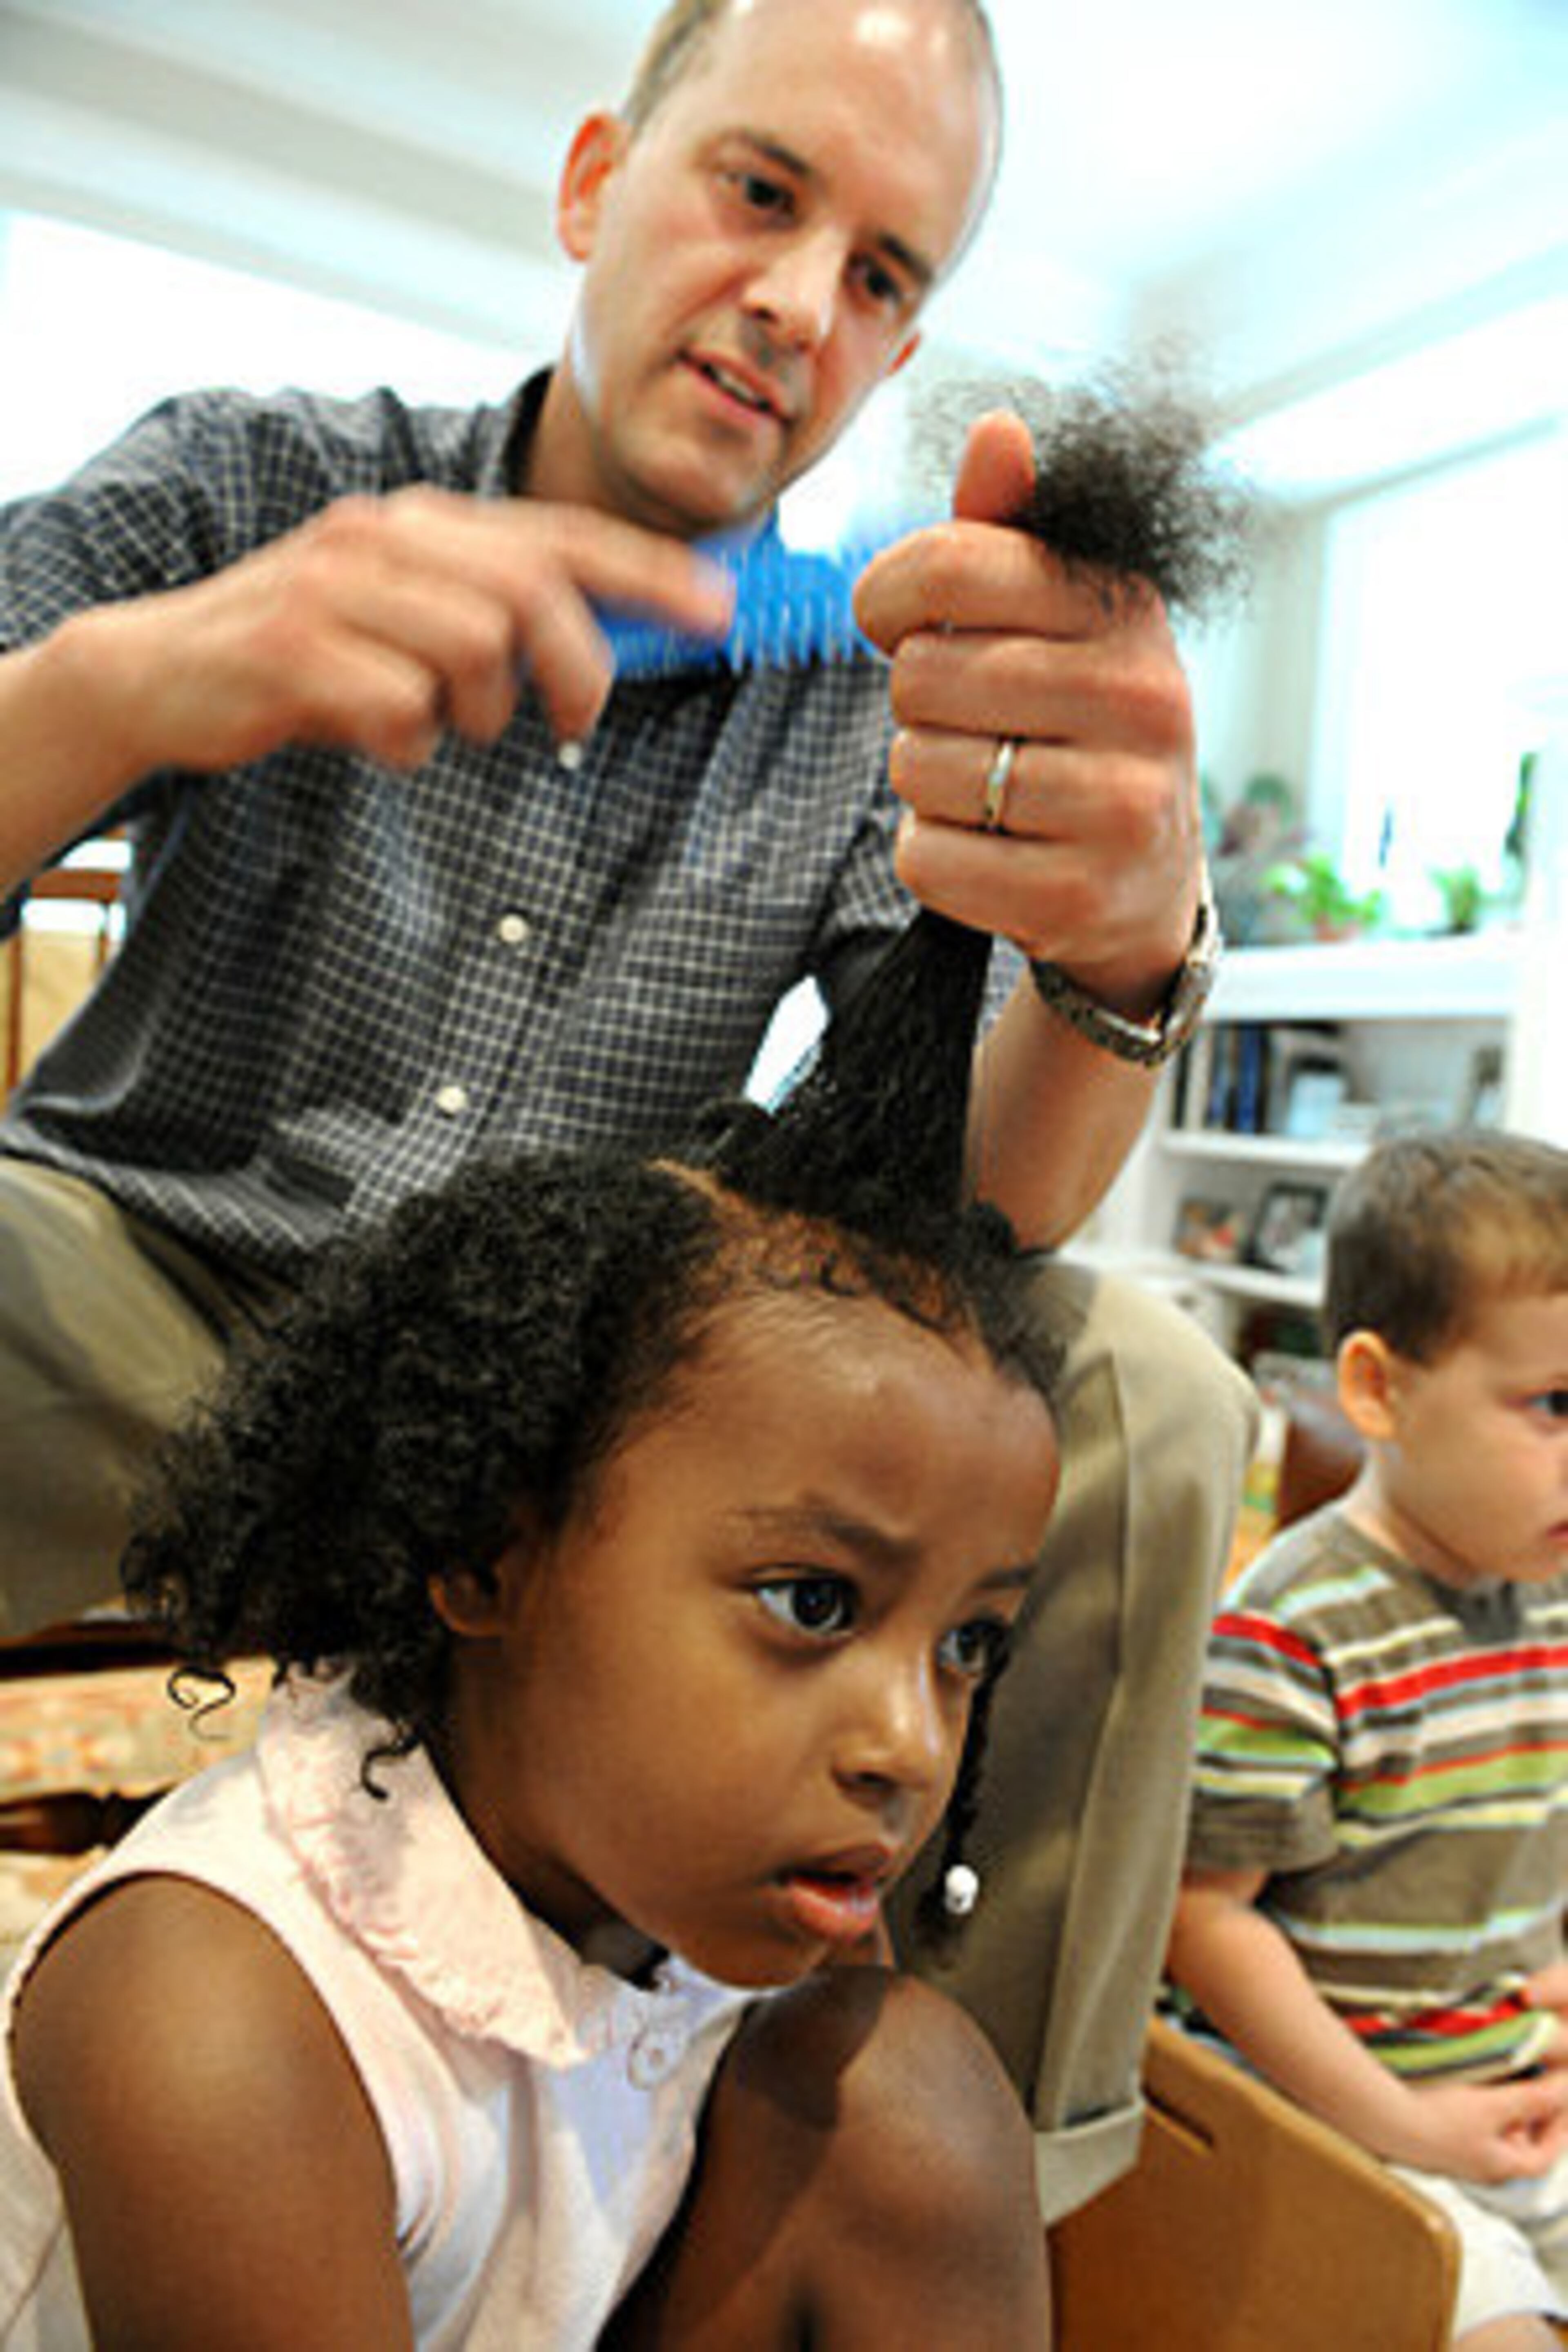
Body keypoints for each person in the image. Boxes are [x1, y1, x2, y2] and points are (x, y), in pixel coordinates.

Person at [0, 0, 1254, 2219]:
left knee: (1145, 1403)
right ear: (599, 183)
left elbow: (980, 1221)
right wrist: (136, 681)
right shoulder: (250, 480)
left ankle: (913, 2204)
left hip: (579, 1401)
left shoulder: (876, 686)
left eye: (882, 273)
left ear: (901, 348)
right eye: (762, 192)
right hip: (122, 1294)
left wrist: (1120, 948)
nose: (799, 300)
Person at [2, 904, 1064, 2347]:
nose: (909, 1746)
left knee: (910, 2093)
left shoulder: (734, 1888)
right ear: (487, 1557)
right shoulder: (219, 2006)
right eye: (813, 1605)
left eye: (968, 1646)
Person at [1166, 1132, 1568, 2352]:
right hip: (1343, 2120)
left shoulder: (1548, 1589)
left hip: (1513, 2085)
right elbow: (1204, 1924)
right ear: (1378, 1390)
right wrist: (1401, 2120)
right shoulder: (1293, 1628)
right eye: (1555, 1406)